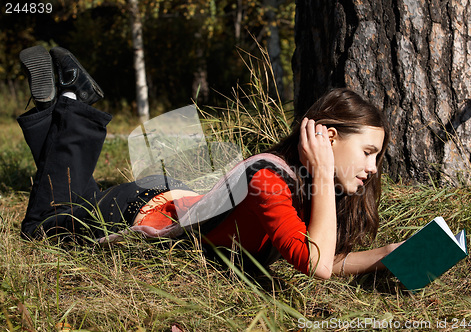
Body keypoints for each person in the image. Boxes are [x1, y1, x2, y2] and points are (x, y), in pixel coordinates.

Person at [18, 45, 401, 280]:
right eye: (368, 152)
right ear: (328, 137)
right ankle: (68, 104)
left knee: (72, 194)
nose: (374, 168)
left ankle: (62, 105)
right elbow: (315, 264)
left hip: (161, 198)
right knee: (45, 226)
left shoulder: (310, 188)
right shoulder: (269, 178)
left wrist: (387, 255)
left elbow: (319, 253)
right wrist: (320, 170)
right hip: (134, 212)